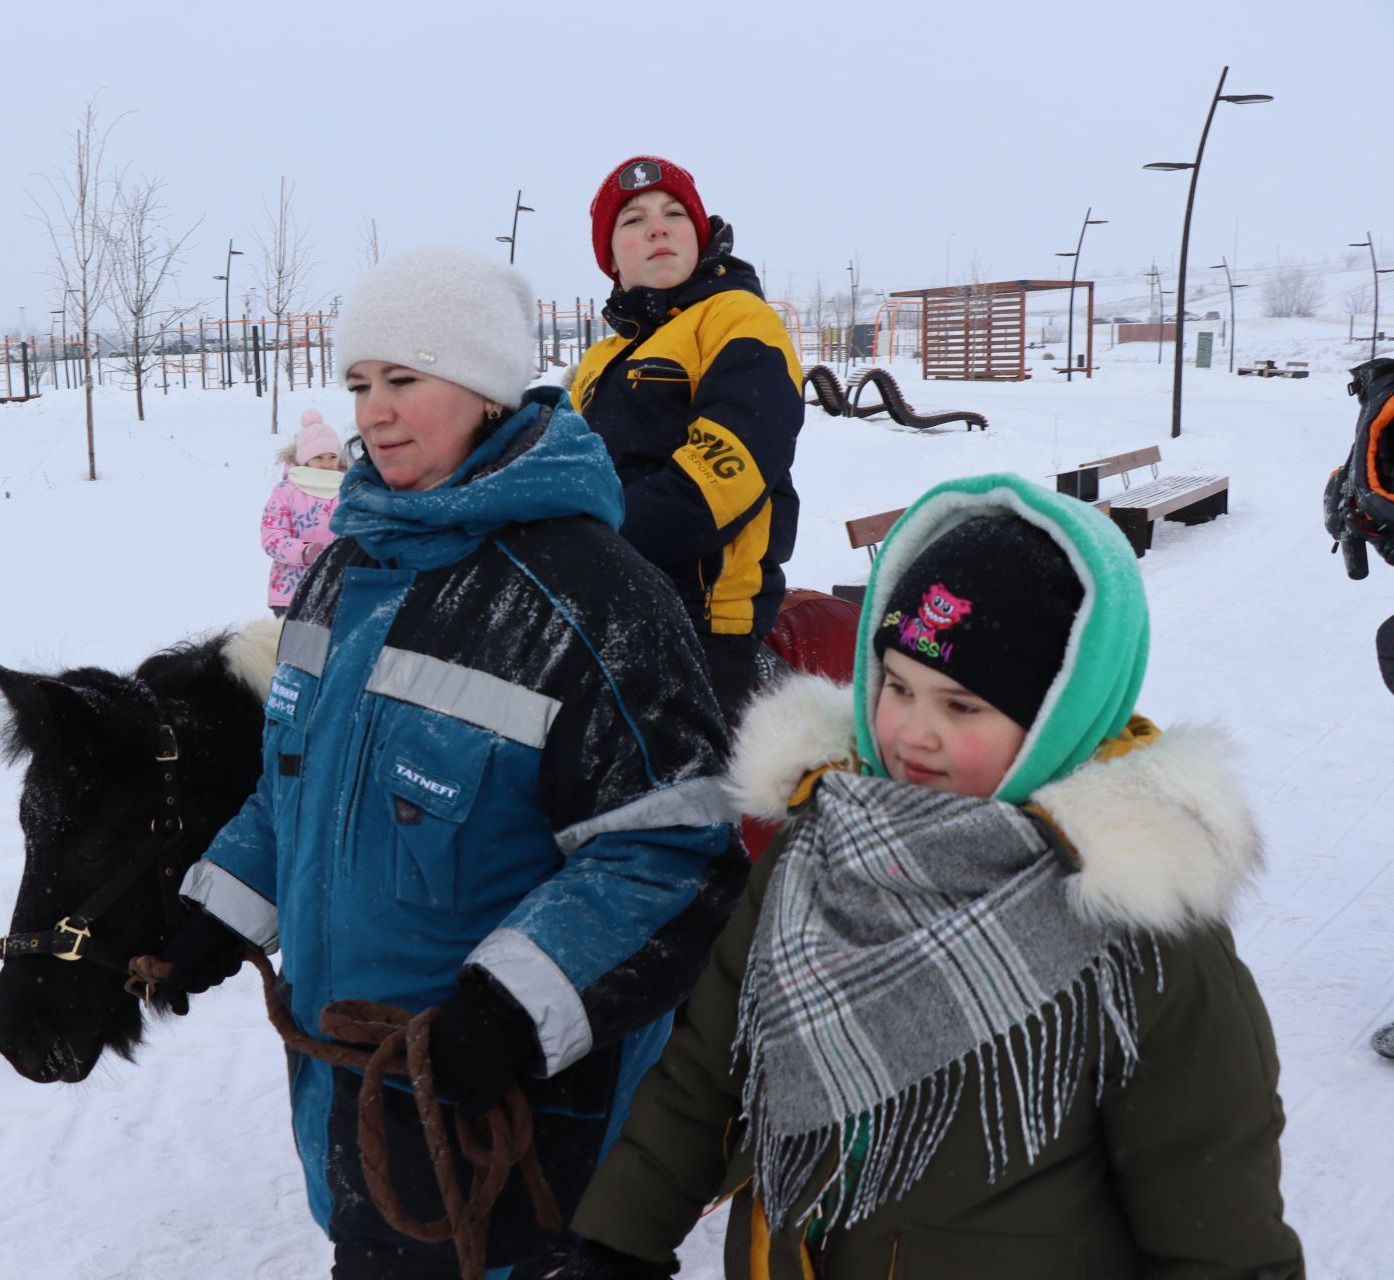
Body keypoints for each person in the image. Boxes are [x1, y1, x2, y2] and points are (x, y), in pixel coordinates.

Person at [144, 247, 750, 1277]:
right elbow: (294, 776)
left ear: (482, 387)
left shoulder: (593, 595)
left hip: (520, 1122)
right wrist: (220, 907)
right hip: (360, 1105)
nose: (375, 412)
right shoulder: (342, 572)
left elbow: (673, 850)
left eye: (405, 379)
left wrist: (512, 1004)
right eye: (360, 382)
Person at [537, 473, 1303, 1279]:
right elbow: (708, 1073)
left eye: (962, 706)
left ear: (1059, 716)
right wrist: (617, 1240)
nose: (913, 735)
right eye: (897, 688)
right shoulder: (820, 847)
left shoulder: (1135, 928)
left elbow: (1219, 1235)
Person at [570, 156, 805, 721]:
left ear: (699, 239)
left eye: (674, 214)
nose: (657, 227)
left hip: (703, 619)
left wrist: (589, 539)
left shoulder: (736, 318)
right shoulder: (599, 361)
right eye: (633, 220)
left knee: (677, 798)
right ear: (611, 260)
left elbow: (728, 467)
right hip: (603, 604)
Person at [262, 408, 345, 618]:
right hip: (292, 593)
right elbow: (272, 538)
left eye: (332, 457)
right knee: (296, 650)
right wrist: (304, 552)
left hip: (338, 590)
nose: (327, 464)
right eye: (318, 457)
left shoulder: (348, 490)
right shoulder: (287, 491)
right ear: (305, 459)